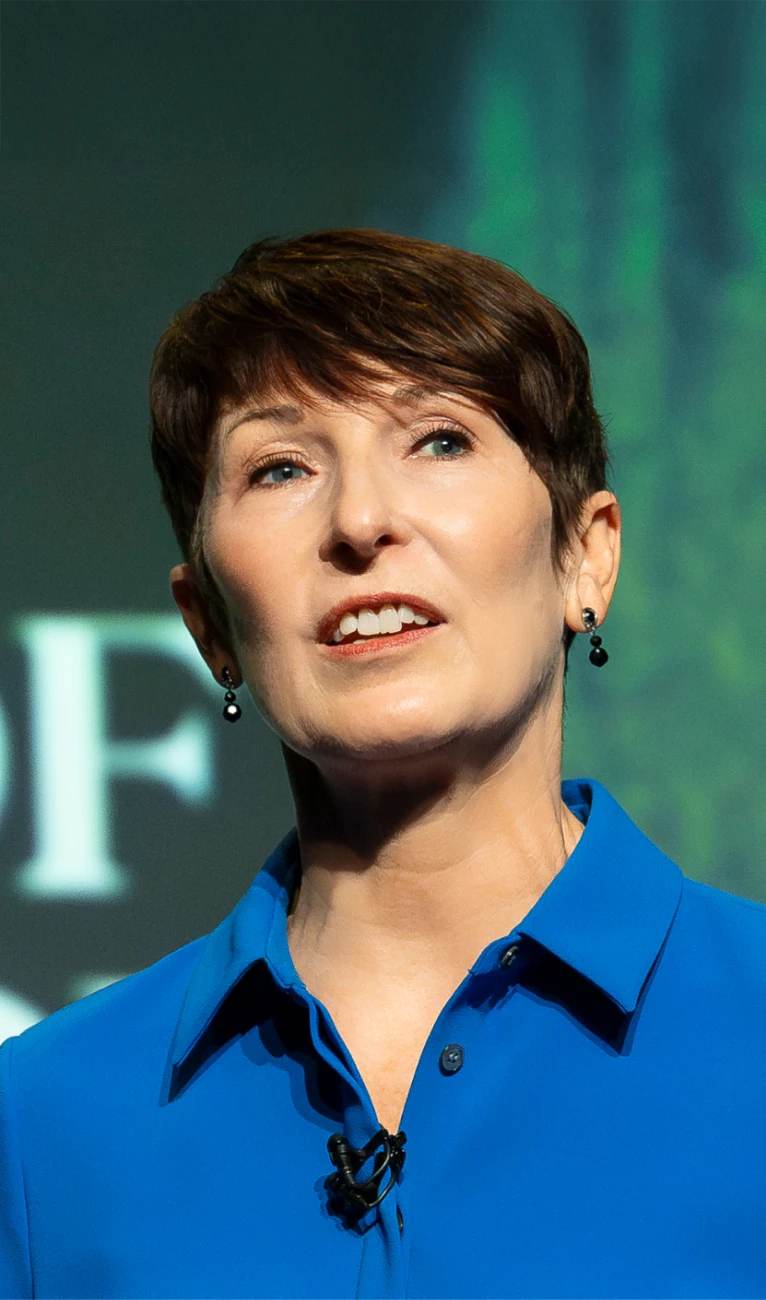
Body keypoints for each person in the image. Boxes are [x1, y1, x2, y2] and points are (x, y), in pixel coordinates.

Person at [1, 229, 765, 1300]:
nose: (360, 521)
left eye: (438, 441)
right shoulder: (40, 1124)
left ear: (584, 555)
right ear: (208, 622)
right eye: (279, 467)